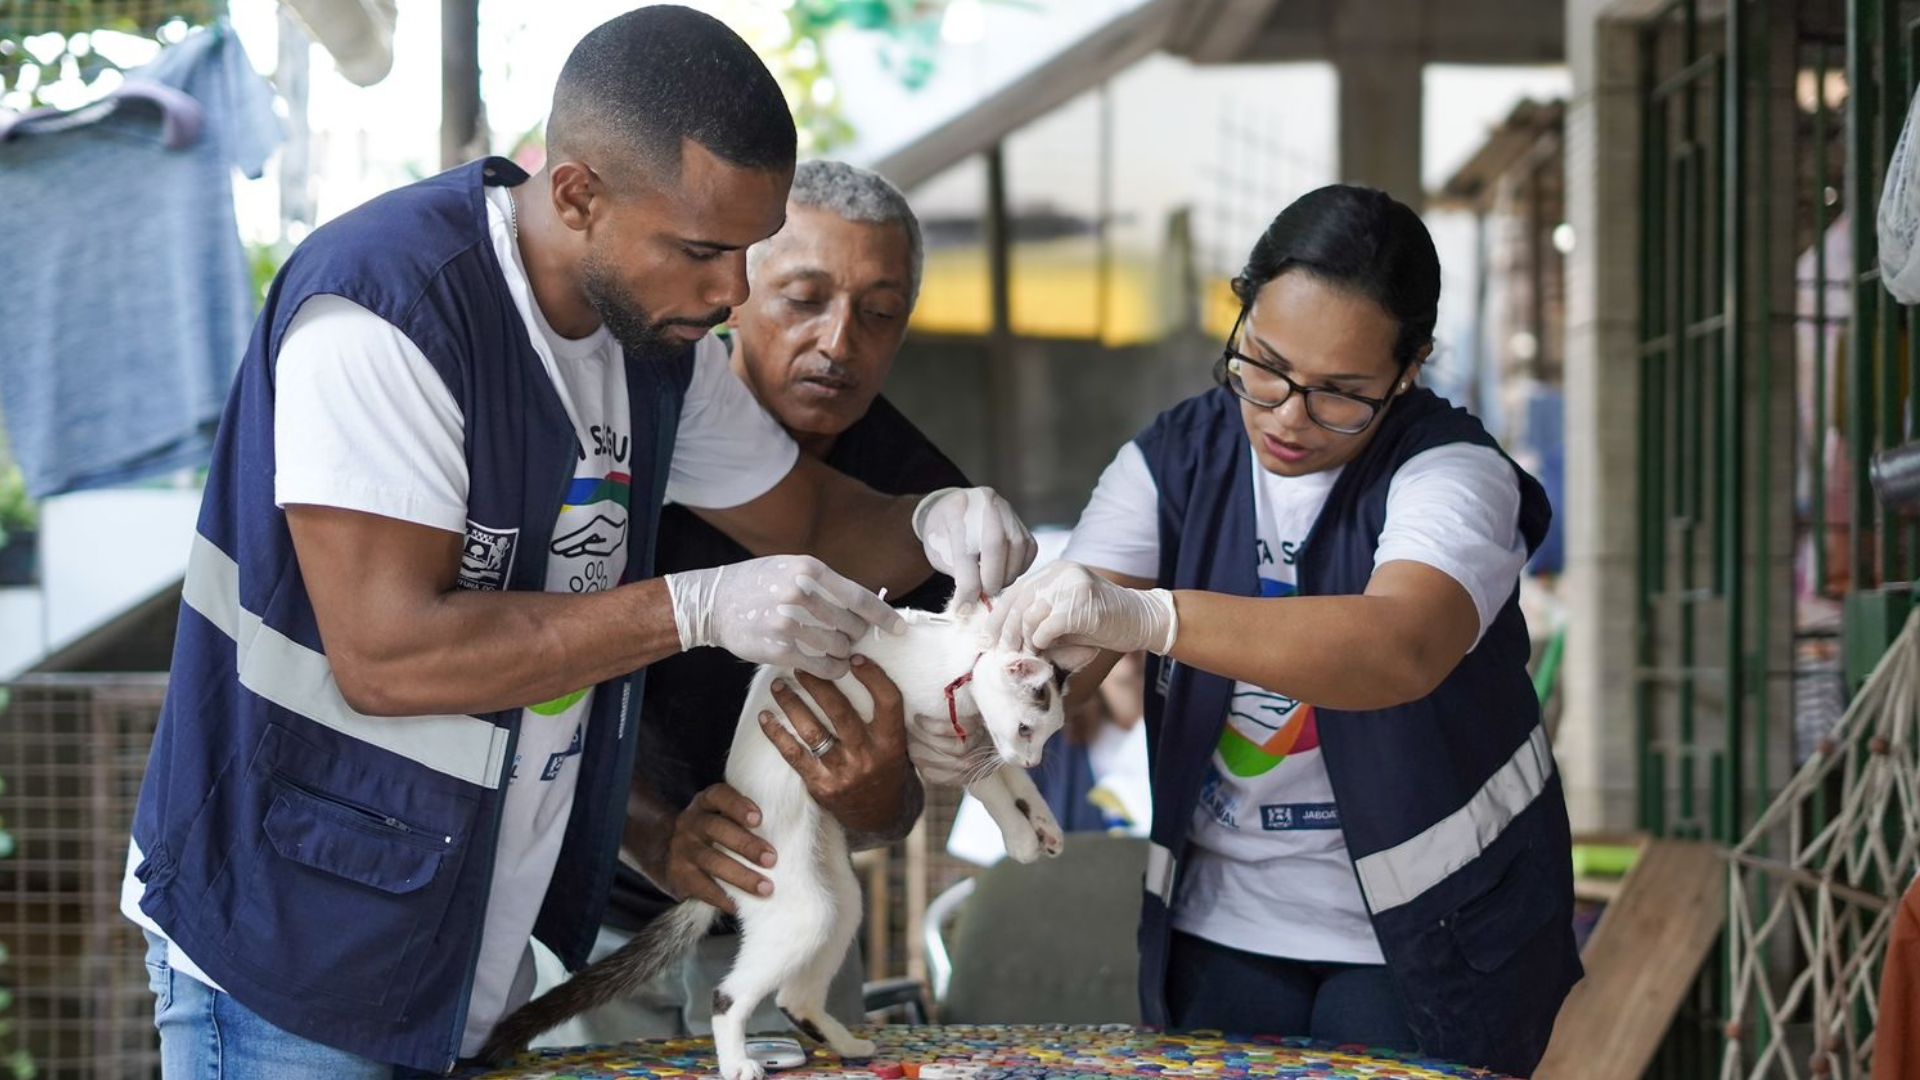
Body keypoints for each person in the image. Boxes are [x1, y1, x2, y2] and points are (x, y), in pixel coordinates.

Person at [121, 10, 1033, 1077]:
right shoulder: (389, 310)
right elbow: (388, 655)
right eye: (702, 249)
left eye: (745, 248)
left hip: (464, 947)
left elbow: (816, 520)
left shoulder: (655, 343)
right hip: (295, 952)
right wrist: (690, 608)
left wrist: (933, 517)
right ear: (575, 194)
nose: (731, 290)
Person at [985, 184, 1578, 1076]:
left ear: (1409, 369)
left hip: (1431, 931)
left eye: (1342, 392)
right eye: (1263, 364)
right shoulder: (1175, 458)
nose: (1288, 415)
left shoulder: (1452, 473)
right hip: (1222, 923)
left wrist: (1155, 615)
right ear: (1243, 310)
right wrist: (988, 675)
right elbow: (1065, 647)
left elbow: (1399, 646)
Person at [545, 159, 968, 1042]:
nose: (839, 342)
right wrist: (656, 833)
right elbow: (537, 670)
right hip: (583, 908)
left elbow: (900, 809)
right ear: (732, 293)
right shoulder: (621, 442)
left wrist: (874, 790)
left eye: (879, 314)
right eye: (803, 298)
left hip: (794, 925)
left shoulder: (922, 508)